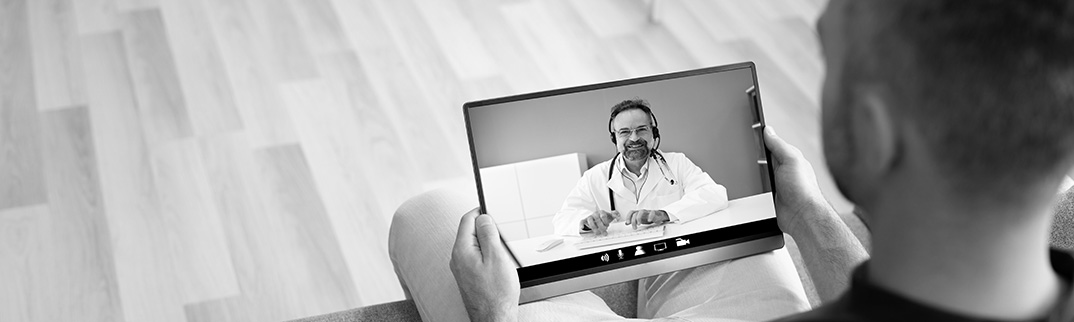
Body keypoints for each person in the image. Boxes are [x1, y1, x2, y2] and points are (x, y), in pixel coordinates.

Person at [449, 0, 1074, 321]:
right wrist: (802, 211)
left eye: (831, 59)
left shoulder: (680, 165)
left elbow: (708, 196)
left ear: (870, 131)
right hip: (646, 248)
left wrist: (495, 315)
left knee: (434, 209)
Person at [552, 99, 729, 236]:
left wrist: (664, 214)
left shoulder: (677, 162)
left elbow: (714, 194)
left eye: (642, 129)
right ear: (615, 138)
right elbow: (562, 219)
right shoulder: (595, 177)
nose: (634, 138)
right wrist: (586, 221)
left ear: (654, 133)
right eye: (625, 132)